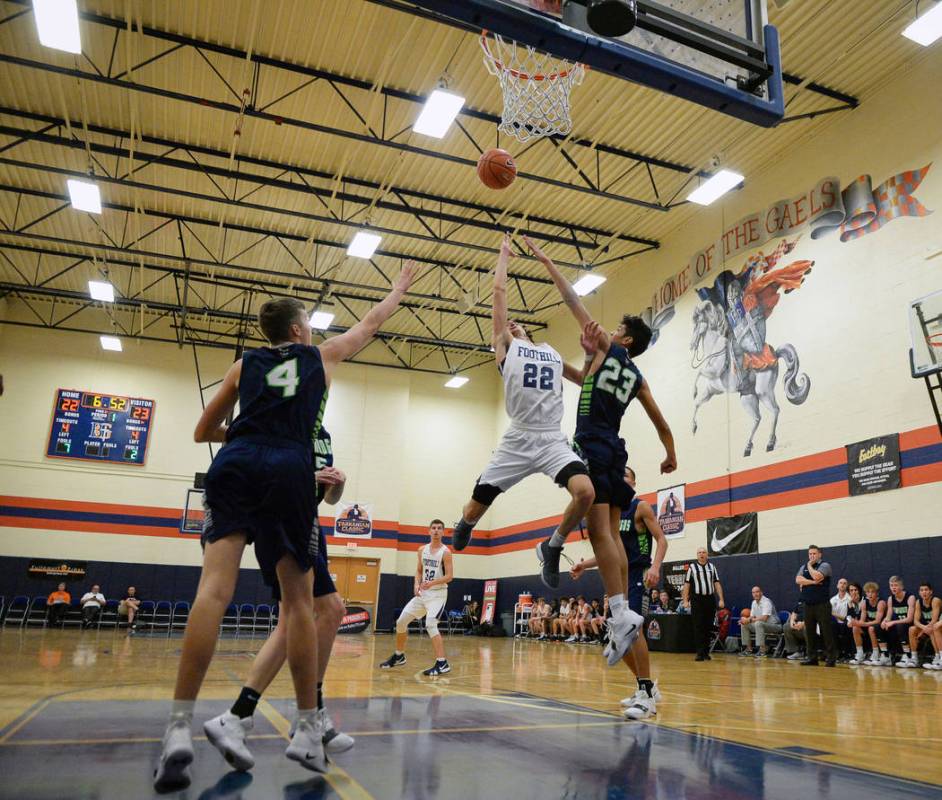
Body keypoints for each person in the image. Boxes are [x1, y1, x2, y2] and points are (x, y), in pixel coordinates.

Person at [153, 264, 415, 792]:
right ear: (297, 330)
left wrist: (246, 431)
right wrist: (397, 291)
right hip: (288, 468)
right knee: (300, 602)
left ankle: (178, 726)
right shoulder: (318, 357)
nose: (314, 332)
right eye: (310, 325)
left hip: (236, 462)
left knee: (213, 591)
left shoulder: (241, 365)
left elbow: (204, 430)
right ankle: (304, 726)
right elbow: (368, 327)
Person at [527, 236, 676, 669]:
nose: (608, 332)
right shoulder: (637, 377)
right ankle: (621, 614)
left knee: (596, 529)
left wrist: (546, 259)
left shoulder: (609, 349)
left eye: (615, 331)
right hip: (616, 449)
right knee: (608, 535)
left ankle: (562, 557)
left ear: (625, 340)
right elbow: (660, 422)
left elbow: (571, 299)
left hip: (592, 443)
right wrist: (670, 454)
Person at [202, 426, 354, 774]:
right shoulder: (280, 418)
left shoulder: (323, 433)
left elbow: (328, 498)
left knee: (300, 620)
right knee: (324, 611)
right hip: (282, 516)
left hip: (306, 517)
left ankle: (242, 716)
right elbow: (256, 465)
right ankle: (308, 716)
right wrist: (301, 477)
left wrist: (337, 483)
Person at [451, 236, 595, 563]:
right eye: (508, 325)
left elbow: (585, 380)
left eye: (518, 324)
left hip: (551, 438)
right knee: (476, 507)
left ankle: (553, 545)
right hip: (518, 437)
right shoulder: (506, 350)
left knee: (586, 492)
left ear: (528, 332)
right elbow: (498, 296)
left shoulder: (550, 352)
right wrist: (503, 256)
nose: (512, 324)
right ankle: (466, 521)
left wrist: (588, 355)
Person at [570, 466, 669, 719]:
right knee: (617, 637)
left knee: (633, 631)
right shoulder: (610, 513)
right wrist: (584, 564)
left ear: (634, 483)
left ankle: (647, 695)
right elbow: (609, 550)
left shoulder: (640, 506)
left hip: (638, 575)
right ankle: (644, 686)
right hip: (618, 579)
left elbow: (662, 539)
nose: (621, 478)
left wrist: (655, 567)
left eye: (626, 476)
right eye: (618, 475)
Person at [380, 520, 454, 676]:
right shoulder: (422, 550)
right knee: (401, 622)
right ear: (428, 531)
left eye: (439, 528)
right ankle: (399, 655)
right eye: (433, 528)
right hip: (423, 593)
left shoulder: (446, 552)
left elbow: (449, 576)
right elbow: (419, 570)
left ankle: (442, 663)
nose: (436, 531)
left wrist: (431, 583)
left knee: (431, 624)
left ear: (443, 532)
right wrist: (416, 584)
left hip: (438, 594)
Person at [794, 545, 836, 667]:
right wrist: (812, 582)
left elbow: (817, 576)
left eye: (814, 554)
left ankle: (830, 658)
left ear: (819, 554)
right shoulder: (803, 567)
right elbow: (798, 579)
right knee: (810, 632)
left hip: (822, 604)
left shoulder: (825, 566)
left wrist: (809, 566)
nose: (811, 556)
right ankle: (812, 658)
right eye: (810, 554)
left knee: (826, 632)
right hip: (808, 605)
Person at [682, 547, 725, 661]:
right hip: (697, 599)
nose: (701, 554)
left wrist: (721, 599)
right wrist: (685, 600)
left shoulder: (712, 567)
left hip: (710, 599)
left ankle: (706, 652)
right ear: (697, 555)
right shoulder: (692, 567)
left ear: (707, 555)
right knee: (698, 626)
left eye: (703, 552)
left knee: (708, 626)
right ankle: (700, 653)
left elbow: (717, 583)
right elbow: (687, 585)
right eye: (699, 552)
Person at [880, 576, 915, 667]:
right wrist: (885, 621)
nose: (893, 587)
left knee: (900, 626)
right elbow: (888, 616)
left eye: (896, 585)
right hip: (897, 625)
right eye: (891, 585)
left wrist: (893, 622)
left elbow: (909, 619)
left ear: (902, 587)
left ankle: (907, 655)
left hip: (909, 625)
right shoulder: (890, 599)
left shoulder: (910, 597)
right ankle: (886, 655)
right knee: (879, 626)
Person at [739, 586, 781, 658]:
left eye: (757, 592)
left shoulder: (766, 602)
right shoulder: (753, 603)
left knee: (758, 623)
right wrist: (744, 620)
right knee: (744, 625)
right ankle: (748, 649)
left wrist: (749, 620)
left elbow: (764, 618)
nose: (755, 594)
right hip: (762, 625)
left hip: (775, 626)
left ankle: (762, 651)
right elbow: (752, 617)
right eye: (753, 592)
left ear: (761, 592)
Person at [910, 582, 942, 670]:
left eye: (926, 590)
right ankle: (914, 658)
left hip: (937, 626)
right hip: (926, 627)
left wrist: (924, 630)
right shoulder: (918, 602)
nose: (924, 592)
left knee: (933, 628)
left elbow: (934, 620)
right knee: (912, 629)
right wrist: (923, 629)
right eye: (921, 590)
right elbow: (915, 621)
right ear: (919, 592)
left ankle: (938, 657)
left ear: (931, 592)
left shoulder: (935, 600)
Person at [858, 582, 888, 666]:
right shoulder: (864, 603)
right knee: (855, 628)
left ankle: (875, 654)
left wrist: (863, 624)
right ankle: (859, 654)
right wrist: (856, 623)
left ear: (877, 593)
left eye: (872, 592)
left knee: (871, 628)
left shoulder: (881, 602)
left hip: (881, 627)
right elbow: (862, 620)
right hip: (869, 625)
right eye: (868, 592)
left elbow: (878, 621)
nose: (870, 594)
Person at [830, 577, 853, 658]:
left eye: (844, 583)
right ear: (837, 586)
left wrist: (834, 614)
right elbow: (829, 615)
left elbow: (847, 617)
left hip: (846, 624)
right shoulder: (832, 600)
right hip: (835, 625)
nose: (842, 585)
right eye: (840, 583)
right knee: (831, 625)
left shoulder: (850, 599)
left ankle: (847, 653)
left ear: (847, 586)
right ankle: (834, 652)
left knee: (846, 625)